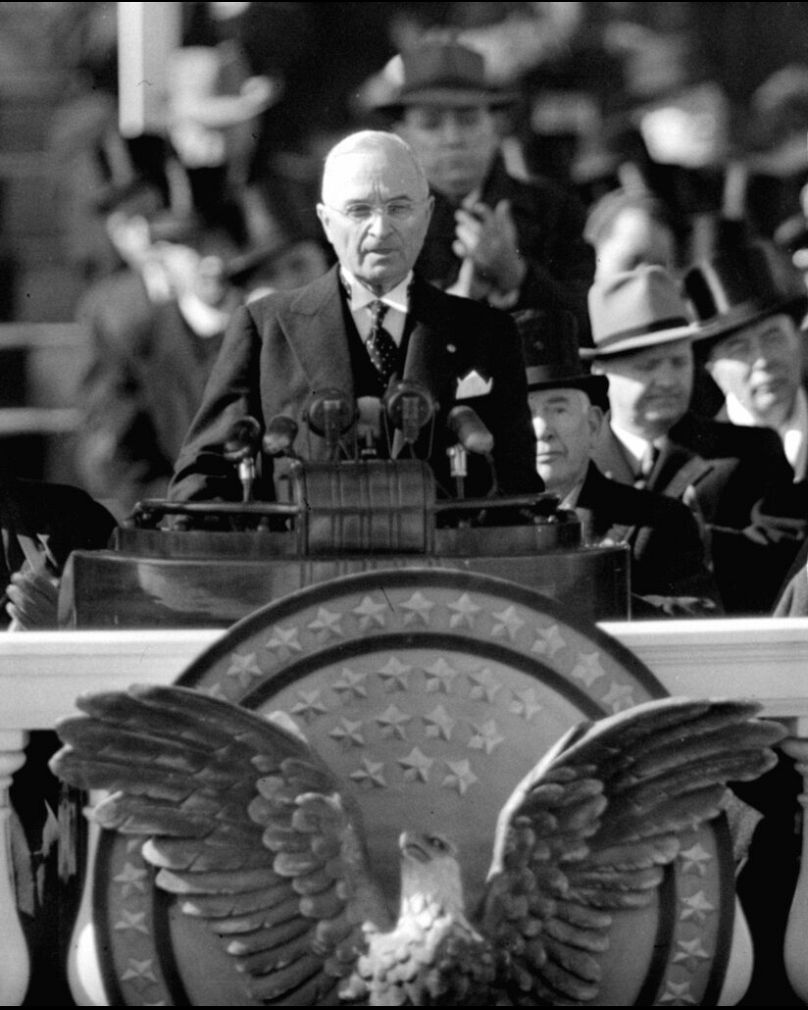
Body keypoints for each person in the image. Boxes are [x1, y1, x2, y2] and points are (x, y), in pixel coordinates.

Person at [169, 130, 540, 504]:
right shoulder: (265, 329)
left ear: (426, 216)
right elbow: (201, 480)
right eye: (359, 211)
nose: (380, 230)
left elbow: (518, 487)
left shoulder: (488, 332)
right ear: (327, 222)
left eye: (399, 208)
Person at [584, 265, 799, 614]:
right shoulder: (579, 461)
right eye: (648, 366)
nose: (668, 379)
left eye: (678, 362)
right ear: (602, 373)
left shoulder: (749, 452)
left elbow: (783, 552)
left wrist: (684, 537)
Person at [375, 40, 593, 340]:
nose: (452, 139)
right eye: (431, 124)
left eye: (468, 120)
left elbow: (594, 324)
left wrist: (518, 276)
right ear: (402, 136)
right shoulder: (382, 228)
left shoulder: (555, 209)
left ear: (497, 126)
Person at [519, 312, 715, 611]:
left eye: (558, 410)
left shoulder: (660, 522)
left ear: (595, 426)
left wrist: (591, 598)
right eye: (525, 414)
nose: (542, 430)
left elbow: (698, 617)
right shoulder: (478, 528)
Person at [685, 240, 808, 481]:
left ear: (798, 338)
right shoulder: (699, 465)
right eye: (739, 348)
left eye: (773, 337)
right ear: (712, 368)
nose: (762, 359)